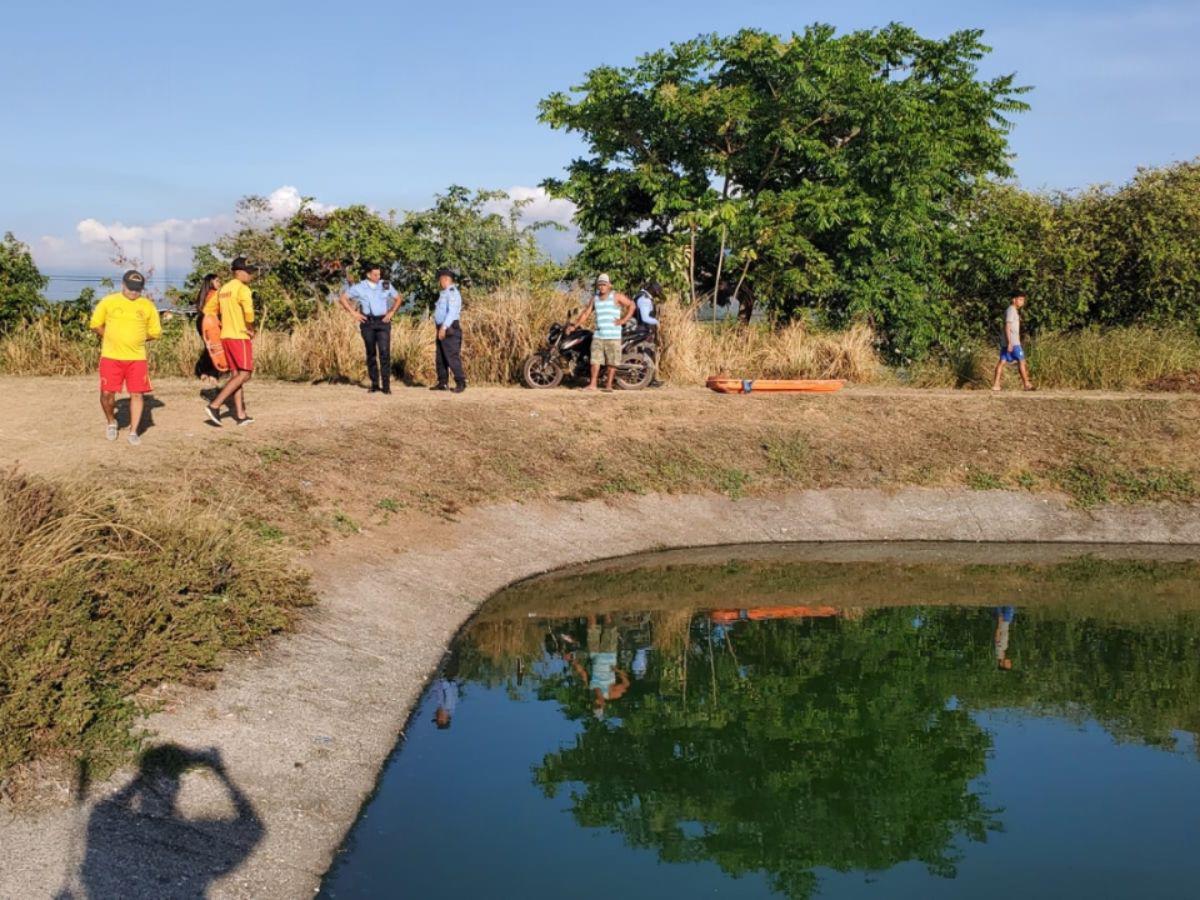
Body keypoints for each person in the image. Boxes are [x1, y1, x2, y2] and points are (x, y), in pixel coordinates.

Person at [89, 269, 161, 446]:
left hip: (137, 358)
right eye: (130, 288)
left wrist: (138, 339)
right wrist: (111, 337)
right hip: (111, 357)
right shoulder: (109, 301)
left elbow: (155, 332)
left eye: (137, 289)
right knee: (106, 393)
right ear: (122, 285)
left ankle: (133, 432)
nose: (133, 292)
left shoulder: (147, 306)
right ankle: (111, 422)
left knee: (136, 394)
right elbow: (96, 324)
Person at [204, 257, 258, 426]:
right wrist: (250, 327)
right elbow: (249, 313)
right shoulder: (243, 289)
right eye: (248, 272)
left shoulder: (223, 289)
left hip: (226, 337)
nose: (251, 275)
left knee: (236, 376)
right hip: (240, 336)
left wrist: (220, 324)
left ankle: (240, 416)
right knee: (245, 374)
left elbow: (208, 309)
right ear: (239, 272)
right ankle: (215, 405)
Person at [340, 263, 404, 393]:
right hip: (367, 323)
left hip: (383, 322)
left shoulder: (385, 284)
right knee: (371, 353)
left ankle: (386, 386)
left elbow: (398, 298)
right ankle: (375, 384)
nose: (378, 277)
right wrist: (354, 313)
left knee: (384, 353)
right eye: (375, 274)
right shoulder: (360, 287)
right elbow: (343, 298)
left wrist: (391, 312)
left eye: (379, 274)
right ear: (368, 275)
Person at [569, 274, 635, 392]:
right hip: (599, 335)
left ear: (609, 285)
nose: (602, 287)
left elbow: (632, 305)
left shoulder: (616, 296)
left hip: (613, 336)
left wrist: (623, 320)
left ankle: (608, 386)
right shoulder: (595, 299)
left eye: (604, 284)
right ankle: (592, 385)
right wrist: (575, 325)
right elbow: (586, 313)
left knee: (611, 362)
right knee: (595, 361)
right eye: (600, 284)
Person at [432, 267, 466, 393]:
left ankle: (461, 382)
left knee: (452, 356)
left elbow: (452, 312)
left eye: (440, 279)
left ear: (446, 279)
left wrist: (444, 327)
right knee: (440, 356)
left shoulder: (452, 292)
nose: (440, 282)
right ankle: (443, 382)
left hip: (449, 327)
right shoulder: (445, 293)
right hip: (442, 327)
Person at [992, 294, 1035, 391]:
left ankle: (996, 385)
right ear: (1014, 299)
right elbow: (1007, 326)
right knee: (1021, 361)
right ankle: (1026, 384)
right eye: (1020, 299)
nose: (1022, 302)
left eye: (1023, 300)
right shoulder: (1011, 310)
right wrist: (1009, 342)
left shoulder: (1013, 310)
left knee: (1002, 361)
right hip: (1013, 342)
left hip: (1010, 341)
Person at [193, 273, 228, 384]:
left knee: (209, 347)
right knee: (215, 348)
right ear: (210, 282)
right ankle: (213, 374)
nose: (219, 283)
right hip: (210, 322)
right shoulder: (216, 294)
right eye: (217, 281)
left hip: (201, 321)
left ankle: (203, 372)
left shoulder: (203, 294)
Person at [631, 280, 664, 387]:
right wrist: (657, 322)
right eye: (657, 292)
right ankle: (648, 380)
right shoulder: (644, 299)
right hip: (643, 331)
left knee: (646, 354)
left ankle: (647, 379)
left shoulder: (642, 296)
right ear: (653, 290)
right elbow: (645, 318)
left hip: (642, 330)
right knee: (647, 354)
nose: (657, 294)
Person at [994, 606, 1016, 670]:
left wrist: (999, 622)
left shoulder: (999, 653)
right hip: (1005, 622)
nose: (1010, 662)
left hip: (1004, 621)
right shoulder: (1002, 652)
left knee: (1010, 604)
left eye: (1008, 664)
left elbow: (997, 638)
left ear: (1001, 664)